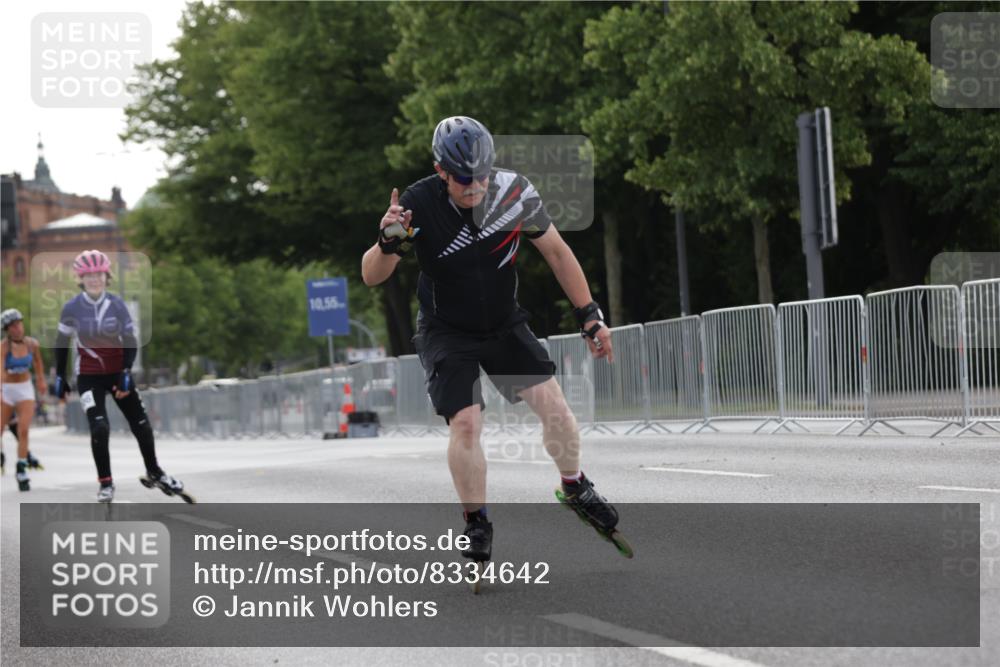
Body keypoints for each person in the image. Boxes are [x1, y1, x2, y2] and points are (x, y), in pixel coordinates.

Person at [362, 116, 621, 562]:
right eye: (464, 179)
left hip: (502, 324)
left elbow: (558, 253)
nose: (476, 186)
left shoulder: (514, 192)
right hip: (447, 331)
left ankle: (575, 486)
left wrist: (590, 316)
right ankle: (476, 521)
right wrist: (388, 242)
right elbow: (372, 276)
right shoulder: (417, 205)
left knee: (556, 410)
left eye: (482, 174)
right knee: (466, 422)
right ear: (441, 171)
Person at [53, 249, 185, 503]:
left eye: (99, 274)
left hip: (117, 373)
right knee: (100, 427)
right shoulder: (71, 308)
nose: (95, 279)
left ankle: (155, 472)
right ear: (81, 278)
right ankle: (106, 483)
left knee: (141, 424)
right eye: (89, 275)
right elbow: (61, 342)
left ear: (107, 276)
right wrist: (60, 375)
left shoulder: (117, 305)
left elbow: (130, 340)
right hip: (89, 376)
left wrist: (126, 370)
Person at [1, 309, 47, 490]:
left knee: (24, 430)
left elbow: (38, 362)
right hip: (7, 390)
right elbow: (1, 370)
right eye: (13, 326)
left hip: (25, 389)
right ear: (7, 330)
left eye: (19, 324)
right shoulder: (3, 347)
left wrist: (41, 380)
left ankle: (21, 468)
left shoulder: (32, 344)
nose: (18, 328)